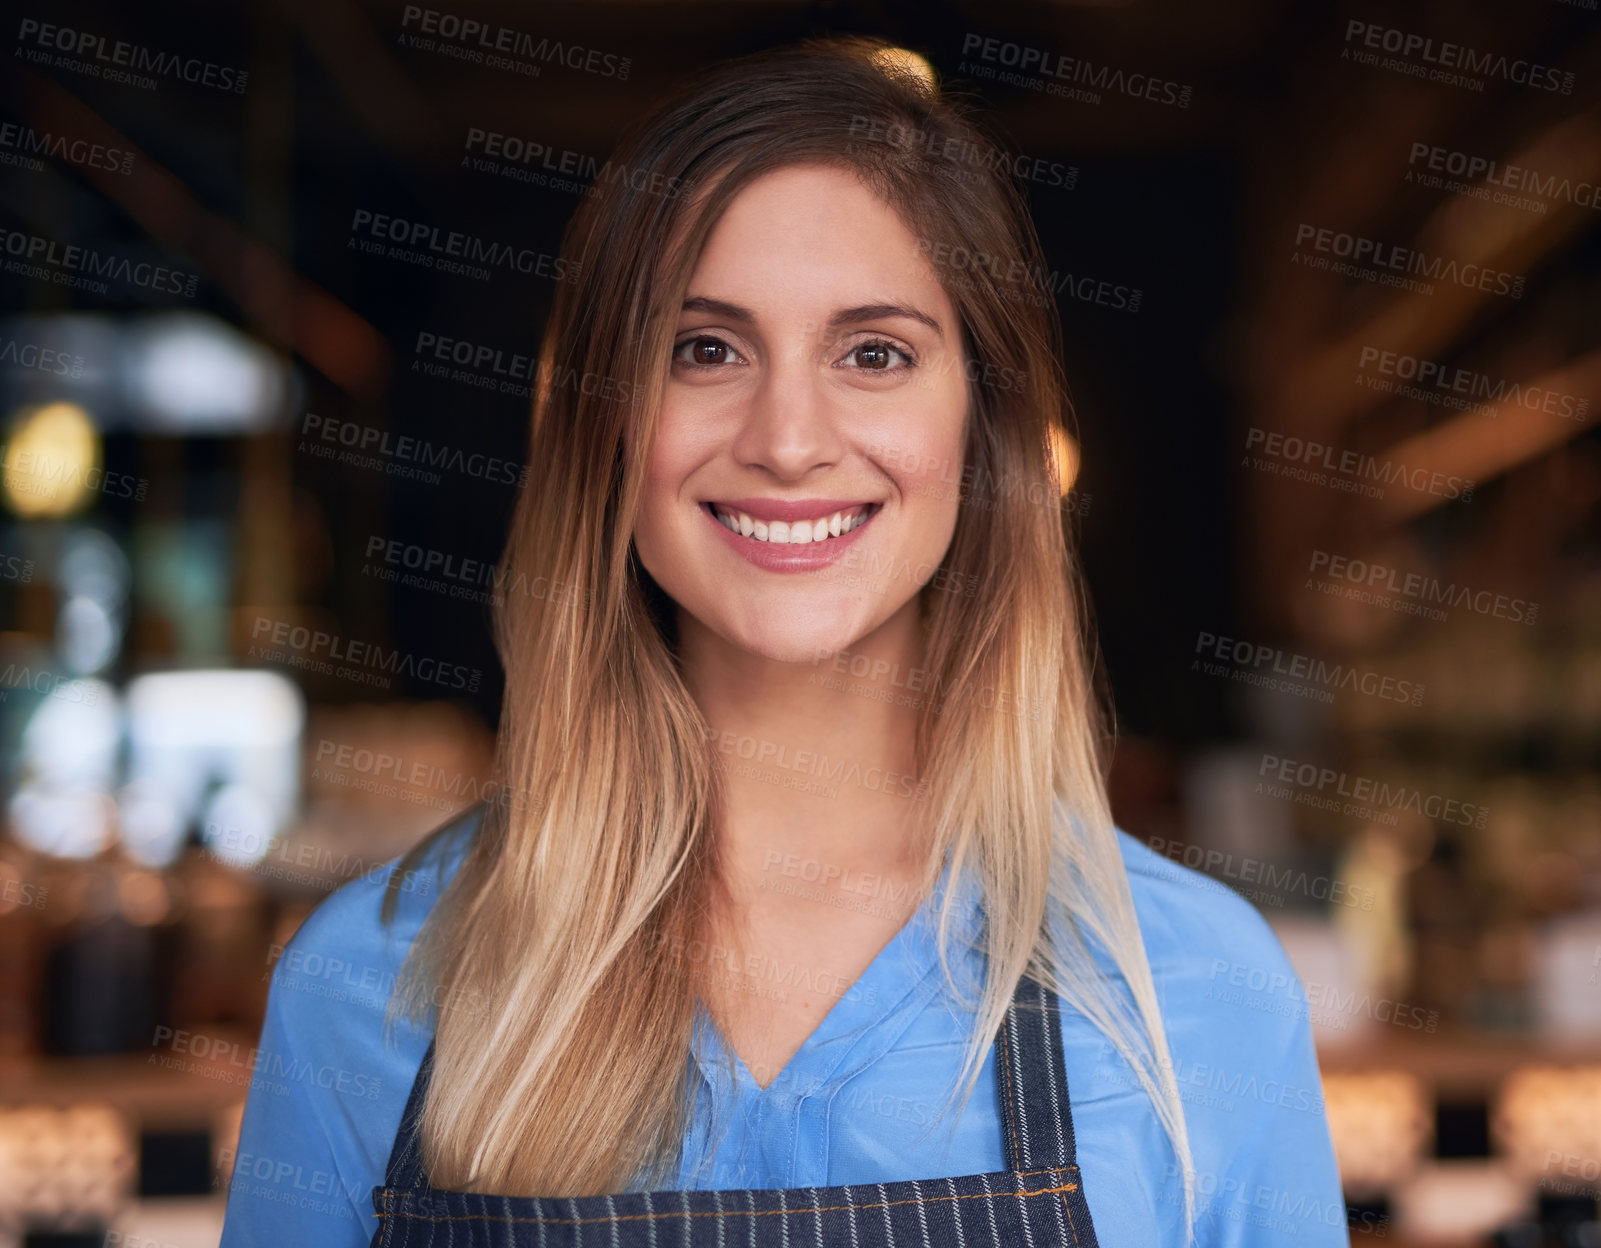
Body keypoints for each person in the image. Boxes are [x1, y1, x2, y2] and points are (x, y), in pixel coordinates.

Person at [220, 36, 1346, 1248]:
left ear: (982, 430)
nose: (788, 437)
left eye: (873, 353)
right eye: (703, 348)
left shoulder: (1197, 1000)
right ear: (607, 427)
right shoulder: (365, 987)